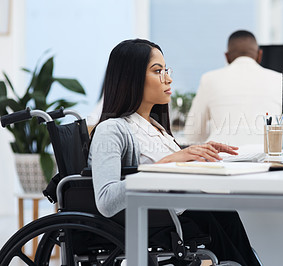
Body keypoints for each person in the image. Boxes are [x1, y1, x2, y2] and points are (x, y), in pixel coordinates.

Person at [88, 39, 261, 266]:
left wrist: (196, 152)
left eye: (166, 70)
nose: (168, 78)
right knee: (217, 216)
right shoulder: (112, 129)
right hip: (163, 220)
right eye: (157, 71)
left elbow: (167, 161)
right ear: (131, 77)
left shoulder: (153, 126)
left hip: (187, 210)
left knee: (226, 212)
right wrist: (165, 165)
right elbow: (106, 200)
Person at [183, 30, 282, 146]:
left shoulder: (209, 79)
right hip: (267, 157)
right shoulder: (279, 79)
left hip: (221, 158)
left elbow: (193, 134)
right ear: (260, 55)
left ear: (227, 57)